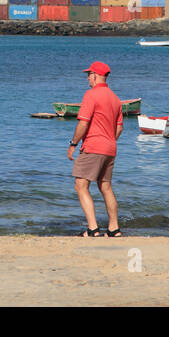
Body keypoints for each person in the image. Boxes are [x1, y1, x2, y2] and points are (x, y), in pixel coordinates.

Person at [67, 61, 124, 237]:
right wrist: (108, 140)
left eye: (88, 75)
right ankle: (114, 228)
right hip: (110, 147)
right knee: (105, 186)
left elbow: (83, 122)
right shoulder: (115, 98)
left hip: (93, 146)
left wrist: (73, 143)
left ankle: (93, 229)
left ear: (95, 75)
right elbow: (119, 128)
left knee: (81, 185)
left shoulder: (91, 95)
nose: (87, 79)